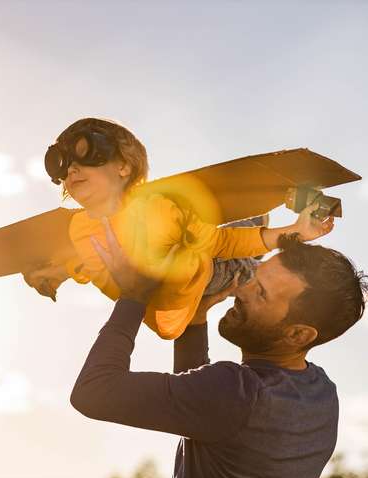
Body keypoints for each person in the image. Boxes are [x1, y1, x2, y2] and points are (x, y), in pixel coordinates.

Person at [70, 217, 367, 478]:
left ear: (298, 334)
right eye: (254, 276)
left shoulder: (237, 393)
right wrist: (196, 319)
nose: (241, 290)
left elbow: (93, 392)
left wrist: (133, 296)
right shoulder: (321, 394)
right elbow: (203, 410)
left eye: (260, 293)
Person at [23, 117, 334, 340]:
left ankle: (268, 218)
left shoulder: (157, 209)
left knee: (241, 259)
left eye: (85, 155)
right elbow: (103, 275)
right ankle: (259, 225)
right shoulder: (80, 229)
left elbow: (222, 243)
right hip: (189, 291)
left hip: (208, 270)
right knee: (243, 269)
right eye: (61, 165)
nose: (72, 170)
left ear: (123, 166)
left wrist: (294, 232)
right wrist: (63, 272)